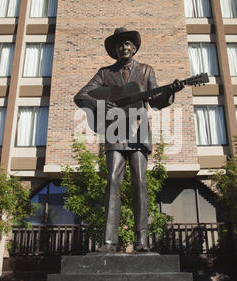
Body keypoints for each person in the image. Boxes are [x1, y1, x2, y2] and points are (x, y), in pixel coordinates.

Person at [74, 27, 179, 252]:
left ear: (134, 47)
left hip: (138, 133)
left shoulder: (146, 70)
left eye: (127, 44)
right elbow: (81, 95)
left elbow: (156, 102)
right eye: (119, 44)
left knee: (140, 182)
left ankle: (141, 241)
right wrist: (100, 105)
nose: (124, 47)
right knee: (113, 181)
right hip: (114, 132)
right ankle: (109, 241)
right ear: (114, 49)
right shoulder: (104, 73)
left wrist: (171, 92)